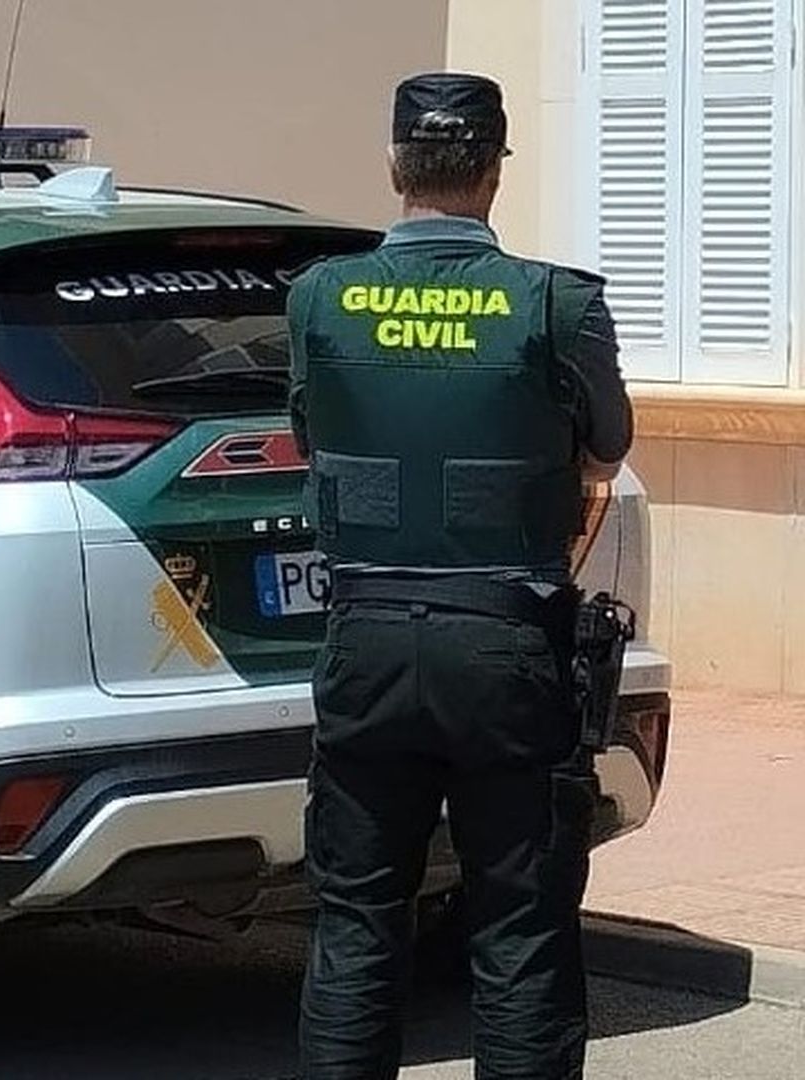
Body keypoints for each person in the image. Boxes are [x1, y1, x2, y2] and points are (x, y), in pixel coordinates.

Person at [285, 72, 633, 1079]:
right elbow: (607, 445)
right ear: (493, 172)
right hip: (508, 644)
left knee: (355, 926)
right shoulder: (556, 304)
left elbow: (312, 436)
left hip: (368, 641)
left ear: (397, 165)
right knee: (520, 933)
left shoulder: (318, 297)